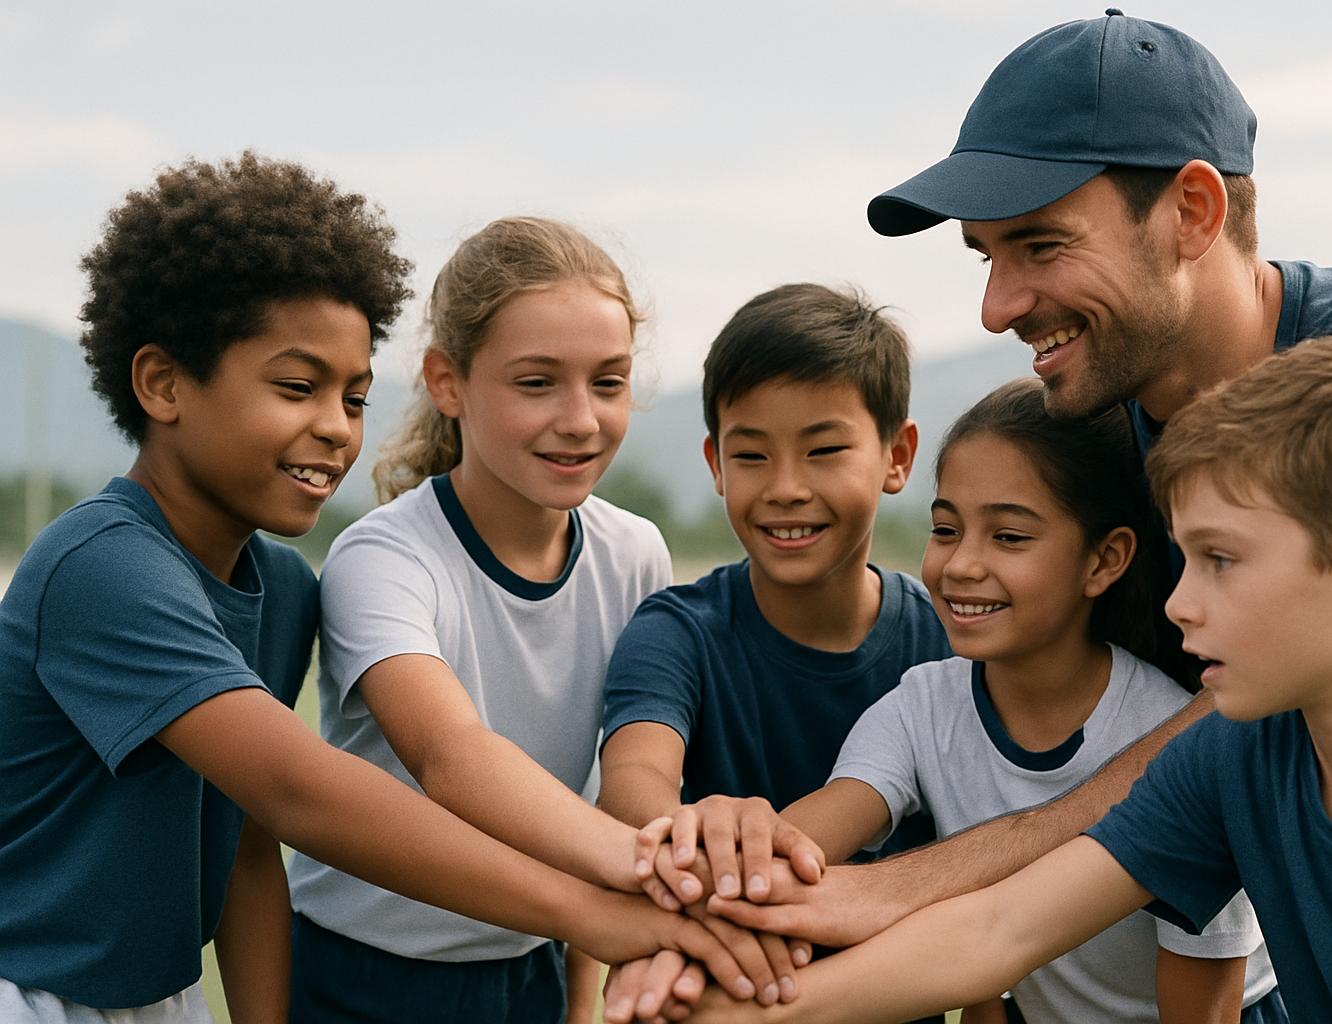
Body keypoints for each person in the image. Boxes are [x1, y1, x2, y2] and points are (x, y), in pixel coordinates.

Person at [617, 9, 1332, 964]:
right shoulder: (1100, 420)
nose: (996, 308)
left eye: (1042, 247)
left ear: (1192, 212)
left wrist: (893, 888)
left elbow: (1263, 739)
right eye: (988, 257)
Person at [0, 155, 772, 1024]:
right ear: (163, 384)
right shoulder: (101, 566)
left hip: (166, 1003)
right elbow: (299, 791)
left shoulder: (281, 588)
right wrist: (609, 902)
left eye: (355, 398)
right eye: (298, 388)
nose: (336, 428)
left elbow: (250, 850)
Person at [699, 337, 1332, 1024]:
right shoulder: (1235, 753)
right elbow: (998, 929)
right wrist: (727, 1012)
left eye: (1221, 560)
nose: (1178, 604)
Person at [283, 216, 789, 1024]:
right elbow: (451, 756)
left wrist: (580, 998)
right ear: (447, 383)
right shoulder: (382, 558)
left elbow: (599, 797)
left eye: (609, 382)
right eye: (537, 382)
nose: (581, 418)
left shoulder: (634, 554)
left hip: (536, 969)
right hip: (360, 978)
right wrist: (656, 872)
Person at [780, 378, 1282, 1024]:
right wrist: (729, 851)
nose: (961, 565)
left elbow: (1205, 1011)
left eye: (1009, 537)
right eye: (945, 529)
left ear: (1104, 560)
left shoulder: (1169, 738)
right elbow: (800, 844)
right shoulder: (921, 709)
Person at [596, 284, 952, 1021]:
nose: (786, 489)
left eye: (824, 451)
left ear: (897, 456)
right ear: (716, 463)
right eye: (751, 455)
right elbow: (633, 784)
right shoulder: (677, 631)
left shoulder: (948, 645)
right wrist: (706, 829)